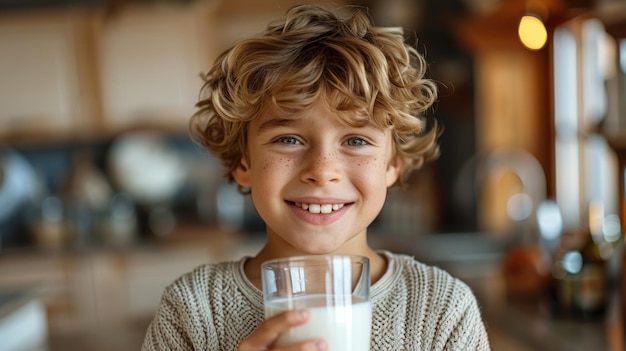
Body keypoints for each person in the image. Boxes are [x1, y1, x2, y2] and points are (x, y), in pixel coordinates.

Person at [141, 4, 490, 351]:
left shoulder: (443, 310)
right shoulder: (192, 311)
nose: (322, 171)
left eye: (356, 141)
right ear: (242, 161)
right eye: (288, 139)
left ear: (392, 164)